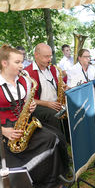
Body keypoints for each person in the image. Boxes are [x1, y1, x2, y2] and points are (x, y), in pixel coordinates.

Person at [0, 44, 69, 188]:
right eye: (17, 62)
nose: (22, 66)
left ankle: (53, 182)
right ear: (4, 63)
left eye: (22, 61)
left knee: (53, 138)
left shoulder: (24, 81)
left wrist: (30, 108)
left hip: (23, 125)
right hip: (5, 132)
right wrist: (4, 131)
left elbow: (25, 104)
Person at [24, 43, 63, 130]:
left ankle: (70, 138)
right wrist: (47, 104)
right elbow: (27, 99)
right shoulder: (27, 73)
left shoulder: (54, 69)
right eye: (46, 56)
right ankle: (58, 141)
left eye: (50, 56)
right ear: (36, 55)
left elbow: (60, 86)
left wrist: (64, 87)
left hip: (55, 104)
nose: (49, 59)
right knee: (52, 114)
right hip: (39, 107)